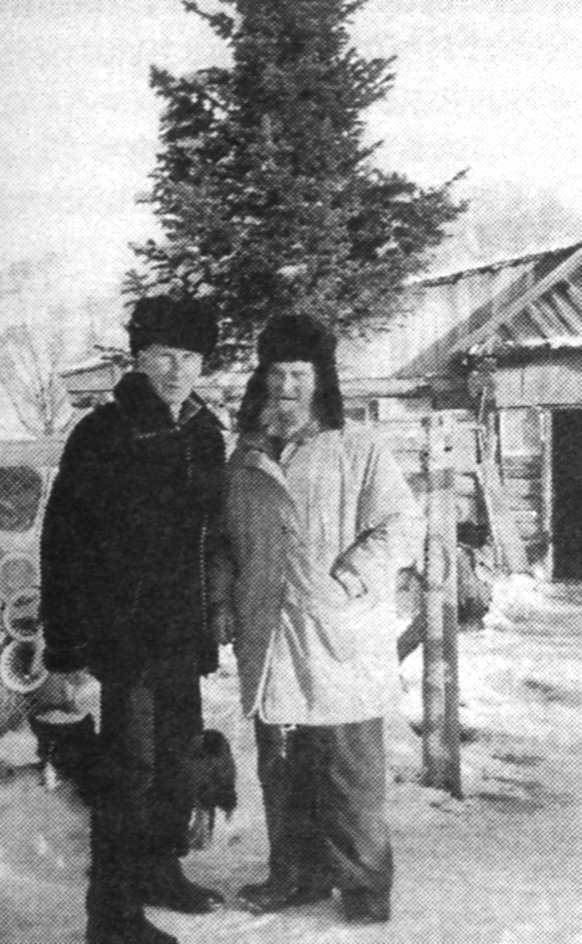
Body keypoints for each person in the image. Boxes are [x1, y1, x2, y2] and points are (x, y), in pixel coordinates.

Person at [40, 295, 229, 944]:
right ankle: (112, 915)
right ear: (140, 358)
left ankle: (159, 871)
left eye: (190, 357)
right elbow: (63, 539)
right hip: (125, 636)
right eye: (164, 355)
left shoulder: (205, 432)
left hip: (183, 632)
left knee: (178, 761)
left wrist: (216, 611)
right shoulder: (103, 433)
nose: (177, 370)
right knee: (130, 770)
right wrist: (66, 644)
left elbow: (214, 535)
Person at [223, 314, 424, 924]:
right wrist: (225, 600)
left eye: (299, 374)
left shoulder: (356, 446)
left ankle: (365, 886)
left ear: (320, 380)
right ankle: (296, 876)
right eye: (276, 373)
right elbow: (225, 542)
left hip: (339, 632)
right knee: (283, 767)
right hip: (270, 630)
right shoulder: (246, 456)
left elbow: (402, 524)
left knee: (348, 770)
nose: (286, 386)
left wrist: (351, 576)